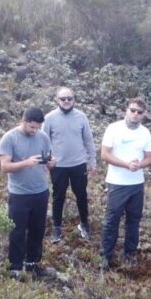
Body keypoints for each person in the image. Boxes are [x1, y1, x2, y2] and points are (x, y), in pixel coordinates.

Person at [0, 107, 55, 278]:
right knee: (17, 231)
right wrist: (26, 163)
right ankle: (15, 268)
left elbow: (48, 162)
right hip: (19, 194)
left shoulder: (43, 137)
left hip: (41, 191)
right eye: (31, 127)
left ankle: (32, 264)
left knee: (38, 230)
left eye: (37, 128)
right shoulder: (9, 138)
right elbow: (4, 167)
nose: (34, 131)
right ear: (23, 121)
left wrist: (52, 163)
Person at [100, 97, 151, 269]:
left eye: (139, 112)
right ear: (126, 110)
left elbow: (149, 158)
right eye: (133, 110)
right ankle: (105, 255)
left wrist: (139, 166)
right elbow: (105, 154)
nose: (135, 114)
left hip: (136, 184)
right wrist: (126, 165)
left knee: (134, 220)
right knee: (112, 219)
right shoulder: (113, 128)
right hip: (117, 183)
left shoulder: (145, 132)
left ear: (143, 115)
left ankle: (129, 253)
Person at [43, 87, 96, 243]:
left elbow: (88, 140)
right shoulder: (49, 118)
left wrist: (92, 161)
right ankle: (57, 228)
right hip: (58, 166)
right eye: (63, 99)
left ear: (74, 99)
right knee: (58, 197)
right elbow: (44, 141)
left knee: (81, 195)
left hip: (78, 164)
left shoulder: (81, 117)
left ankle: (84, 224)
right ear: (57, 100)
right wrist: (46, 162)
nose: (66, 101)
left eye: (69, 98)